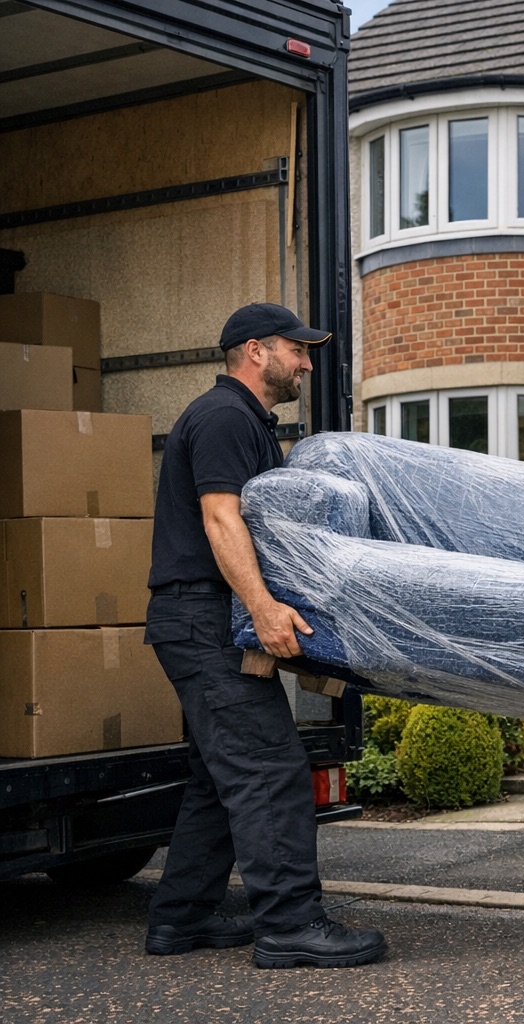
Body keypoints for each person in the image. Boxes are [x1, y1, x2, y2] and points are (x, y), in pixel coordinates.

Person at [143, 303, 387, 969]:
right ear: (255, 350)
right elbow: (221, 518)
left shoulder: (239, 419)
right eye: (296, 349)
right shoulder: (223, 417)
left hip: (197, 622)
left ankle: (179, 920)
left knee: (217, 778)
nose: (307, 361)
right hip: (204, 621)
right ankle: (289, 926)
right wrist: (264, 606)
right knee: (271, 773)